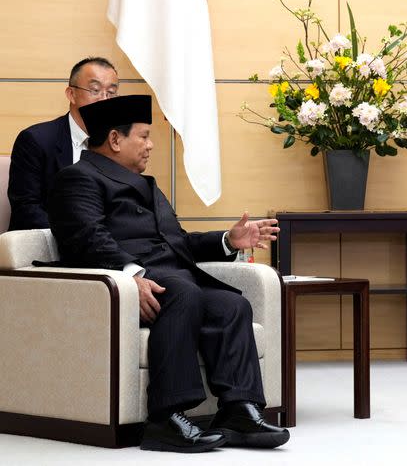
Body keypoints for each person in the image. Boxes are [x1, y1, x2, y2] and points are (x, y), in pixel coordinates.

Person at [46, 95, 290, 453]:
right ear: (115, 139)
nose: (150, 145)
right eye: (143, 136)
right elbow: (86, 238)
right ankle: (165, 418)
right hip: (130, 285)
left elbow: (178, 243)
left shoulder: (147, 185)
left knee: (230, 306)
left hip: (173, 281)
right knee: (185, 291)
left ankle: (238, 410)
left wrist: (227, 239)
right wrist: (131, 276)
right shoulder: (77, 179)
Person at [7, 57, 120, 230]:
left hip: (105, 247)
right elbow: (26, 209)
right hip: (52, 245)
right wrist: (77, 236)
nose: (105, 100)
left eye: (111, 93)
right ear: (71, 94)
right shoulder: (35, 140)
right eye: (95, 90)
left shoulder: (117, 144)